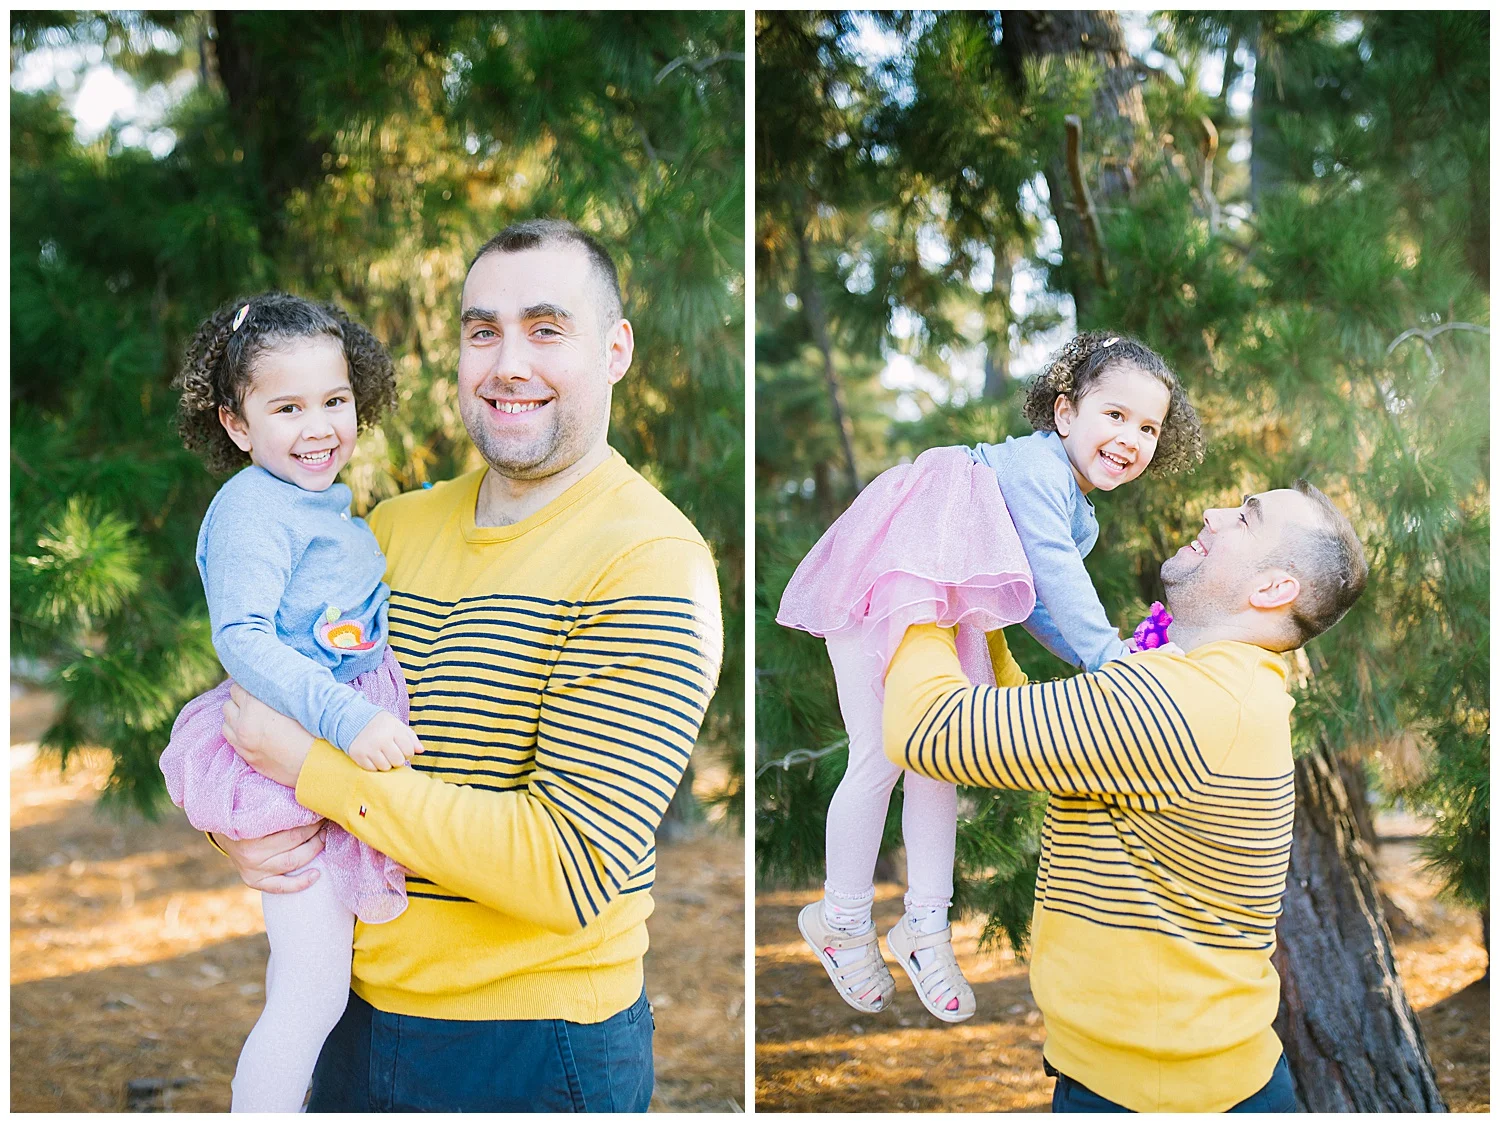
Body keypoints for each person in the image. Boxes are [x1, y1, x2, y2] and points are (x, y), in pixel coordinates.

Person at [212, 219, 723, 1112]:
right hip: (351, 1020)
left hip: (532, 1047)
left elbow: (568, 870)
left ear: (615, 350)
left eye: (546, 328)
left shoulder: (650, 563)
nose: (507, 362)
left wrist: (314, 771)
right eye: (482, 330)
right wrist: (245, 829)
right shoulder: (388, 529)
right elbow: (261, 702)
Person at [882, 481, 1368, 1112]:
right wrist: (980, 617)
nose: (1213, 513)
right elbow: (1032, 734)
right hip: (1167, 1083)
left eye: (1246, 519)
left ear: (1273, 589)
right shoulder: (1218, 689)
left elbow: (930, 730)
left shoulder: (1189, 702)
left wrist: (921, 589)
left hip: (1160, 1099)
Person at [777, 332, 1203, 1022]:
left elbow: (1034, 601)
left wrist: (1107, 654)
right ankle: (842, 918)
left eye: (1149, 426)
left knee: (933, 760)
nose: (1132, 436)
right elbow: (1059, 580)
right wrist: (1111, 657)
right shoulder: (1039, 472)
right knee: (880, 753)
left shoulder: (1075, 509)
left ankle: (925, 925)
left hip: (944, 607)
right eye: (1115, 415)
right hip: (889, 578)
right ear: (1065, 413)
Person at [158, 292, 418, 1112]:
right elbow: (242, 637)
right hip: (297, 744)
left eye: (335, 400)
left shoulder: (315, 499)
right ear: (237, 424)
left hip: (328, 740)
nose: (320, 427)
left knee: (327, 987)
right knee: (309, 993)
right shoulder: (250, 508)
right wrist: (349, 718)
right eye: (288, 407)